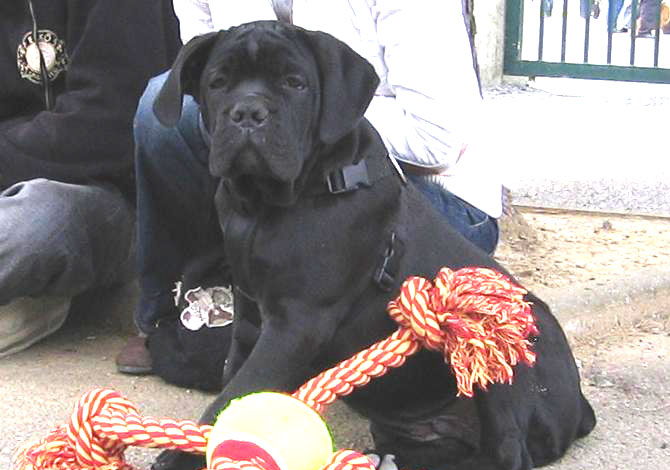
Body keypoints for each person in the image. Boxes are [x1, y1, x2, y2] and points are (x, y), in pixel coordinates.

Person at [116, 0, 505, 376]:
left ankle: (292, 321)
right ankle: (170, 308)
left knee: (282, 347)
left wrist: (311, 110)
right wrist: (267, 107)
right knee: (164, 115)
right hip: (291, 189)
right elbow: (209, 94)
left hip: (430, 198)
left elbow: (434, 140)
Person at [0, 1, 181, 357]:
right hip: (13, 182)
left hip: (114, 198)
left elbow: (109, 128)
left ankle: (36, 294)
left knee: (37, 223)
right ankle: (22, 294)